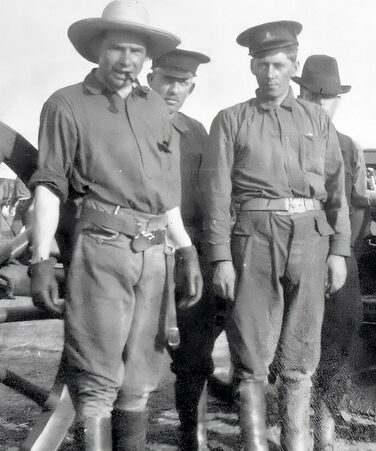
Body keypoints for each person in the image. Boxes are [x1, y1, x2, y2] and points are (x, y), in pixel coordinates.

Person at [26, 1, 202, 449]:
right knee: (97, 378)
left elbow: (166, 195)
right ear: (97, 50)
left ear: (147, 58)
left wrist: (185, 249)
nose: (127, 61)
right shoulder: (66, 104)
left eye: (136, 52)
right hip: (102, 249)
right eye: (117, 49)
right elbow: (49, 185)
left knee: (140, 379)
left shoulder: (155, 108)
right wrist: (41, 259)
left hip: (155, 253)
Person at [200, 21, 350, 451]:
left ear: (294, 66)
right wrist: (220, 258)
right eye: (262, 64)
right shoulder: (231, 120)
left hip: (311, 238)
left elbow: (336, 189)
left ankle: (295, 440)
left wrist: (339, 250)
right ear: (252, 66)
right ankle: (254, 442)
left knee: (301, 349)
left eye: (279, 65)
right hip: (254, 238)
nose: (270, 73)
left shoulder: (316, 119)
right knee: (251, 348)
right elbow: (216, 194)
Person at [293, 54, 370, 450]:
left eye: (328, 98)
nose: (321, 105)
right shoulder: (284, 138)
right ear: (301, 96)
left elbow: (357, 205)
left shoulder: (349, 147)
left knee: (342, 330)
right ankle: (293, 425)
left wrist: (340, 253)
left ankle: (325, 423)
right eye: (313, 96)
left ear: (338, 101)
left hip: (337, 254)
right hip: (292, 251)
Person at [147, 48, 215, 450]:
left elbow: (209, 195)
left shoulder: (196, 132)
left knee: (195, 349)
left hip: (188, 251)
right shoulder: (129, 123)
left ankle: (193, 434)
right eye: (166, 80)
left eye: (183, 83)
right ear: (150, 79)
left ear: (192, 88)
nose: (173, 89)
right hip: (140, 244)